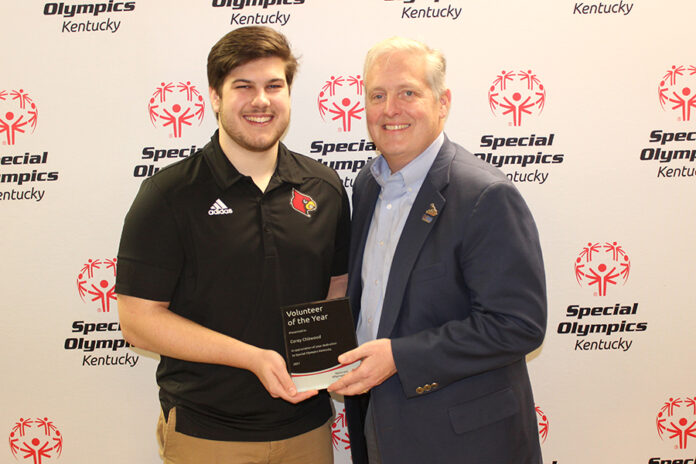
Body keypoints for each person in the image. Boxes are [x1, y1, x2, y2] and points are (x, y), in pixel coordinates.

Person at [116, 26, 349, 464]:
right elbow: (138, 321)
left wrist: (325, 359)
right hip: (208, 435)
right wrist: (252, 358)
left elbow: (337, 286)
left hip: (309, 430)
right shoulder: (169, 195)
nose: (261, 100)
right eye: (243, 86)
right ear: (215, 97)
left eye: (273, 86)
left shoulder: (325, 187)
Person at [327, 37, 547, 464]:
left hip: (463, 441)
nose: (391, 108)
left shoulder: (485, 195)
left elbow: (518, 325)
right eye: (377, 95)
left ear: (442, 102)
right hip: (378, 423)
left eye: (408, 92)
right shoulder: (366, 185)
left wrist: (398, 357)